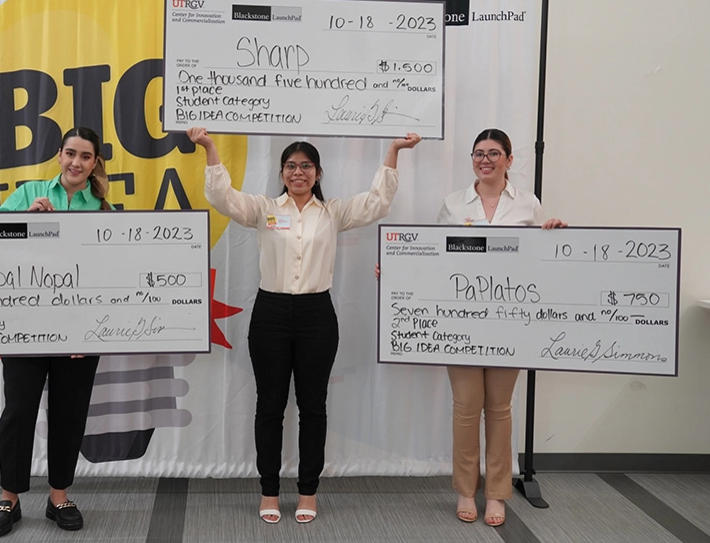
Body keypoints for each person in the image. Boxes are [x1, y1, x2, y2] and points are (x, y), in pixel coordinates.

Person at [188, 126, 421, 524]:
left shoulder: (332, 213)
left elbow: (377, 203)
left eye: (307, 166)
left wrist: (395, 149)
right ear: (281, 173)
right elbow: (221, 197)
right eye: (291, 166)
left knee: (313, 407)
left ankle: (309, 491)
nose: (299, 173)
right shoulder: (264, 209)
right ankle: (269, 491)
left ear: (318, 172)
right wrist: (209, 147)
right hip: (270, 315)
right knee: (269, 407)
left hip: (317, 316)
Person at [0, 127, 111, 538]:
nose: (76, 162)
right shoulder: (29, 193)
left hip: (78, 333)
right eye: (70, 153)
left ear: (95, 163)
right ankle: (10, 496)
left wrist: (88, 333)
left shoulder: (104, 209)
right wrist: (24, 222)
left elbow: (110, 276)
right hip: (24, 324)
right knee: (17, 411)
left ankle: (59, 496)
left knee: (69, 412)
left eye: (85, 157)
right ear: (58, 155)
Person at [437, 128, 566, 527]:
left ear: (510, 160)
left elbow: (545, 263)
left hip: (511, 322)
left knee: (499, 409)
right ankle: (464, 489)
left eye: (494, 153)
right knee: (465, 409)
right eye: (479, 153)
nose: (485, 159)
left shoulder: (529, 204)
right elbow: (432, 257)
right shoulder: (454, 203)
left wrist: (555, 237)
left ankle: (497, 494)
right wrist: (396, 270)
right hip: (461, 321)